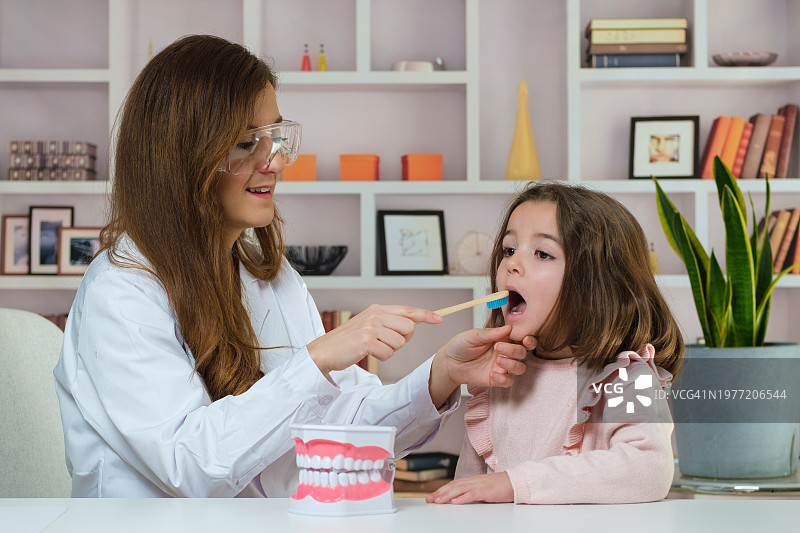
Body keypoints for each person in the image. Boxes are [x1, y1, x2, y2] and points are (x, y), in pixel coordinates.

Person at [53, 35, 533, 498]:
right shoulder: (121, 294)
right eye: (246, 144)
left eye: (276, 137)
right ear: (181, 159)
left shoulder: (269, 279)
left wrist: (441, 374)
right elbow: (192, 465)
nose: (276, 161)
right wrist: (319, 358)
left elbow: (342, 429)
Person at [426, 181, 684, 505]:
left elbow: (649, 469)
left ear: (597, 287)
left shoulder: (627, 377)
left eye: (542, 253)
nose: (511, 264)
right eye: (508, 249)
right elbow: (469, 494)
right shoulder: (499, 377)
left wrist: (514, 484)